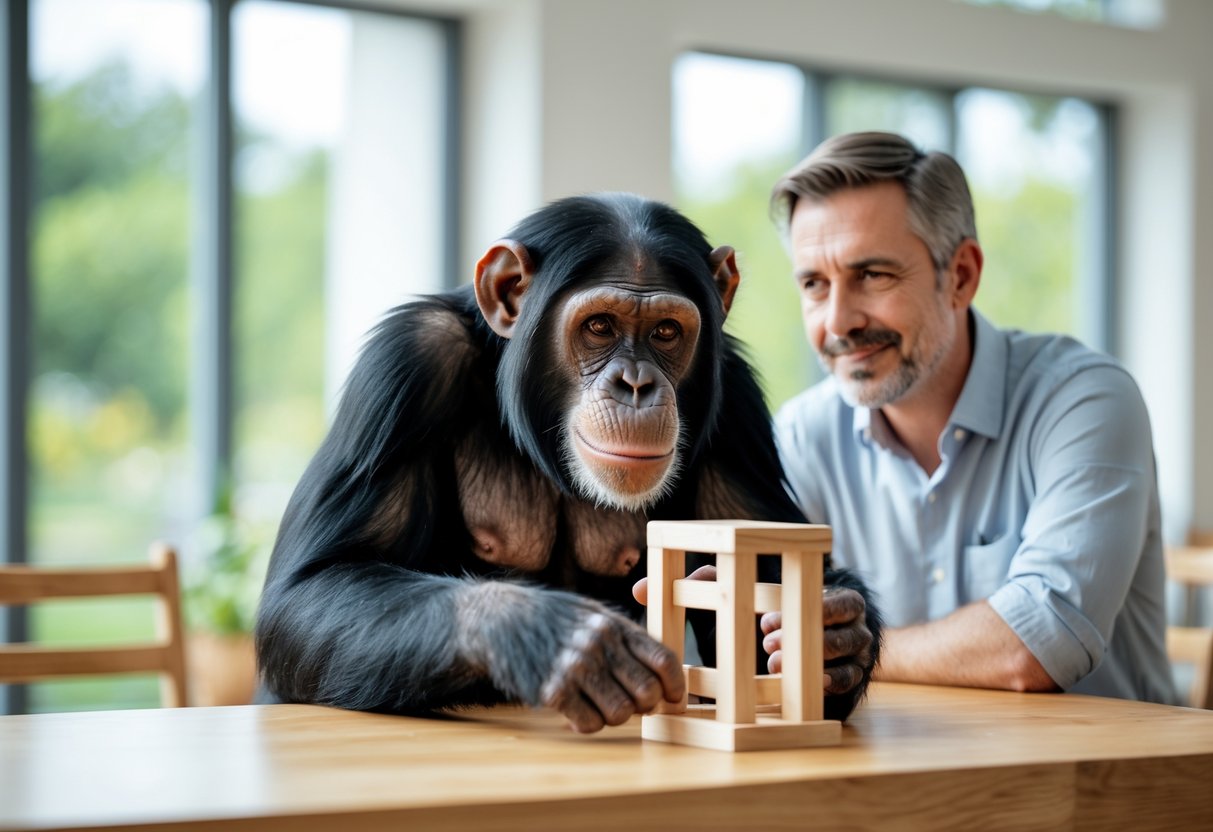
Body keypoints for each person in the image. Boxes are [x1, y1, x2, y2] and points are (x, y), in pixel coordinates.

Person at [762, 131, 1176, 704]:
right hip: (912, 781)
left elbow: (1036, 646)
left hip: (1107, 786)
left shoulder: (1086, 400)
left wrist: (859, 649)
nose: (838, 321)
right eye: (814, 284)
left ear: (960, 275)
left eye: (873, 275)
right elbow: (758, 638)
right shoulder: (804, 435)